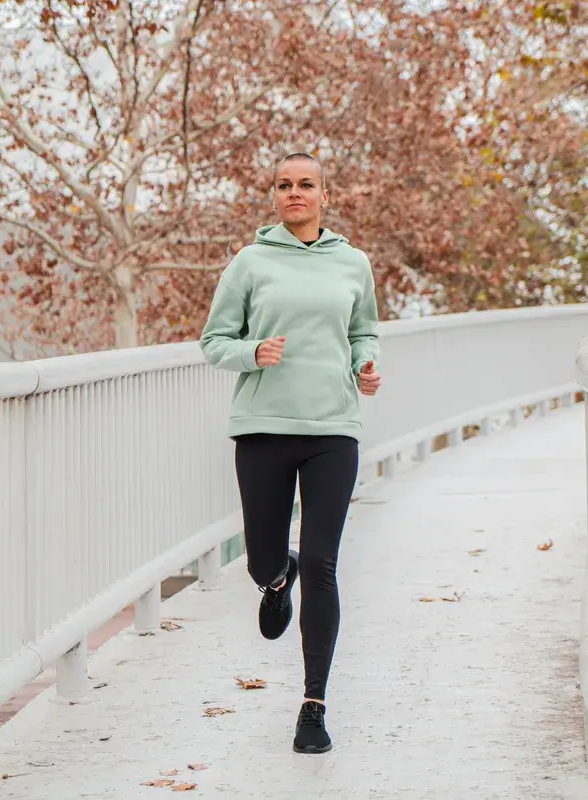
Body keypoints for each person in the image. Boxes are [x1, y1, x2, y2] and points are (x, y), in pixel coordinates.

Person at [199, 152, 382, 755]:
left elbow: (363, 331)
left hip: (333, 428)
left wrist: (364, 364)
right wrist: (253, 352)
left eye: (306, 185)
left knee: (326, 567)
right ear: (273, 195)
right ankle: (278, 577)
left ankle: (313, 704)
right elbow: (213, 341)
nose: (295, 193)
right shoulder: (251, 262)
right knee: (260, 559)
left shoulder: (353, 263)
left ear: (324, 195)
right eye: (284, 185)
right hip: (263, 428)